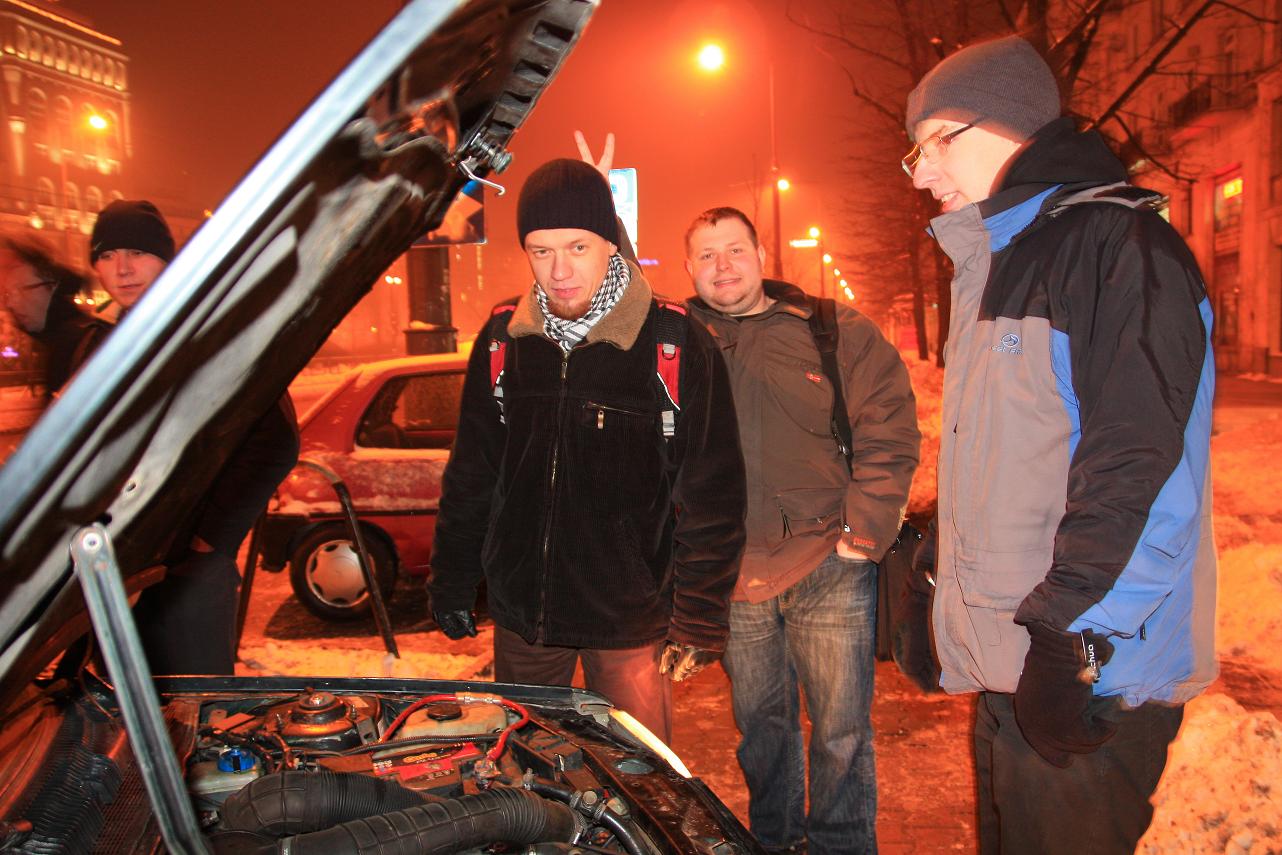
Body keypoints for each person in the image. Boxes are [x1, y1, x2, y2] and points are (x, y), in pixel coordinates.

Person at [904, 35, 1216, 854]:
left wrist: (1072, 642)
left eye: (934, 143)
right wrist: (935, 571)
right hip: (1019, 666)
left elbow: (1141, 474)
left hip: (1090, 675)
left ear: (1002, 123)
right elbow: (1015, 462)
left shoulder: (1119, 250)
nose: (922, 173)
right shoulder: (1002, 263)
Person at [428, 159, 747, 743]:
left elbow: (714, 493)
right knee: (525, 772)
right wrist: (452, 578)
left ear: (609, 241)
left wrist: (700, 615)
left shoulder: (673, 340)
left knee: (639, 776)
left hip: (629, 621)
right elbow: (473, 472)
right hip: (526, 618)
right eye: (541, 251)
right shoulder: (503, 339)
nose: (560, 270)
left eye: (577, 247)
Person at [683, 207, 920, 855]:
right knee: (762, 729)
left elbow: (889, 422)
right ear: (688, 267)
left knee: (841, 730)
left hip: (828, 560)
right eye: (707, 255)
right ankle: (776, 840)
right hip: (733, 573)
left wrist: (864, 531)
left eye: (735, 249)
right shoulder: (677, 343)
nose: (723, 266)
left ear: (762, 254)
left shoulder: (832, 328)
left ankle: (841, 844)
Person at [89, 199, 300, 675]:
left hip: (185, 575)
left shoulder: (211, 333)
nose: (122, 269)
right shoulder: (109, 345)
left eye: (137, 253)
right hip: (117, 568)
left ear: (166, 260)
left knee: (193, 704)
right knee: (119, 706)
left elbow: (275, 442)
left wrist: (208, 544)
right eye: (106, 256)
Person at [0, 231, 109, 399]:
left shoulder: (83, 346)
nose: (12, 303)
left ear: (52, 287)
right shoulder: (56, 342)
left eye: (23, 289)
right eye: (8, 294)